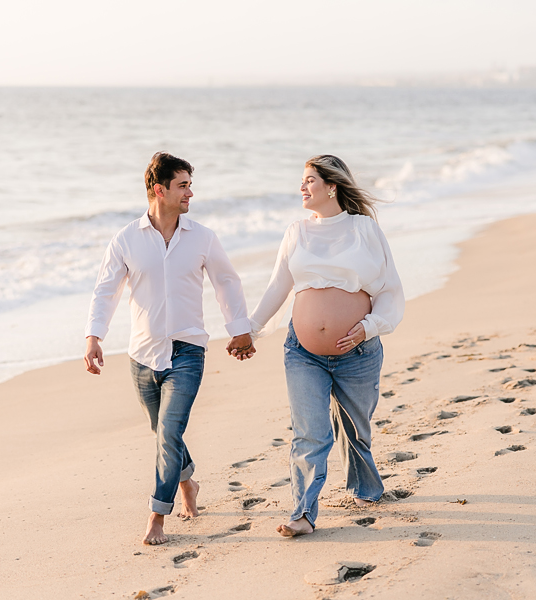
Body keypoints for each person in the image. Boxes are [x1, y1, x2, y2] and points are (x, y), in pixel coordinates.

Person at [84, 152, 255, 546]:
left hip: (188, 350)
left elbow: (227, 283)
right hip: (142, 356)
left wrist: (239, 329)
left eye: (190, 185)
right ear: (159, 190)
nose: (190, 193)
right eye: (183, 186)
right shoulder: (126, 239)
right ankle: (188, 481)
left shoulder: (203, 237)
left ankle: (157, 516)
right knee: (162, 432)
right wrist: (94, 337)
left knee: (169, 432)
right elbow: (106, 291)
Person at [249, 154, 405, 537]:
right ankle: (303, 514)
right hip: (304, 353)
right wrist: (249, 330)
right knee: (310, 433)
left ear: (332, 186)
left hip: (358, 351)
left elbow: (390, 289)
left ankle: (365, 488)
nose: (302, 187)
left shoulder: (364, 229)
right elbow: (277, 287)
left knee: (355, 429)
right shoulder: (296, 232)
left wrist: (368, 328)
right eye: (302, 180)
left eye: (310, 180)